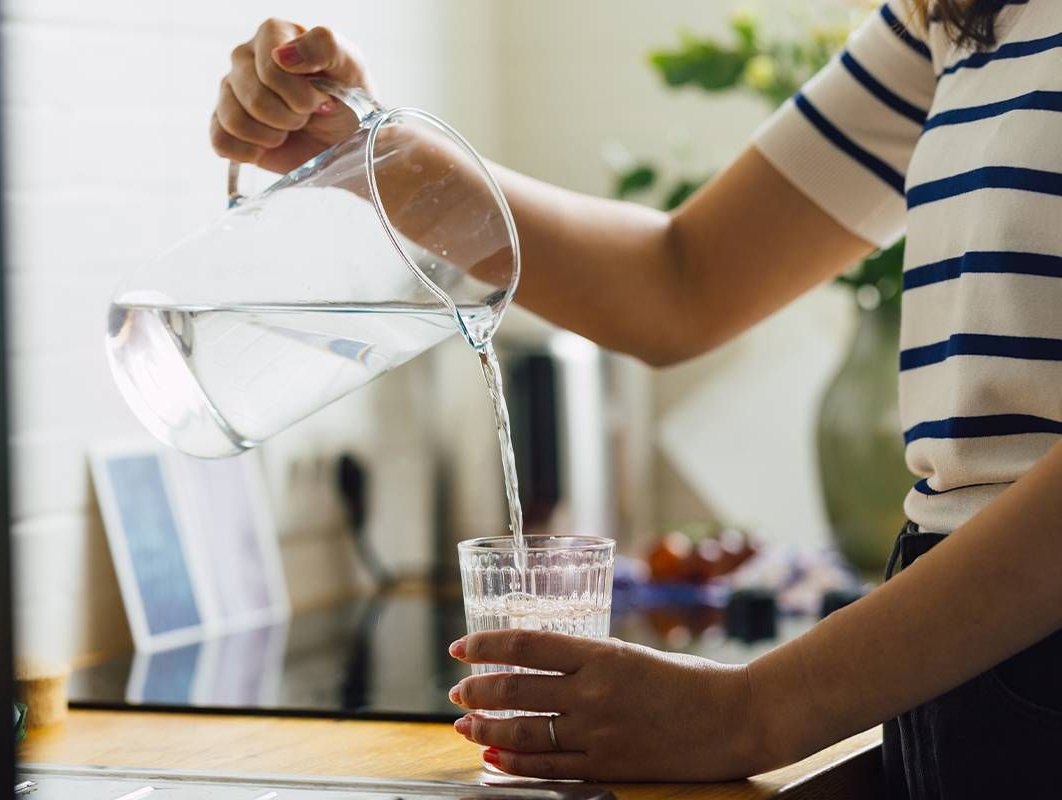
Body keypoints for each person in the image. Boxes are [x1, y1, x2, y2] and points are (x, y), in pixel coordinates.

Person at [211, 2, 1062, 794]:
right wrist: (367, 148)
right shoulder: (958, 12)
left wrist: (754, 710)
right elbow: (681, 282)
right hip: (948, 655)